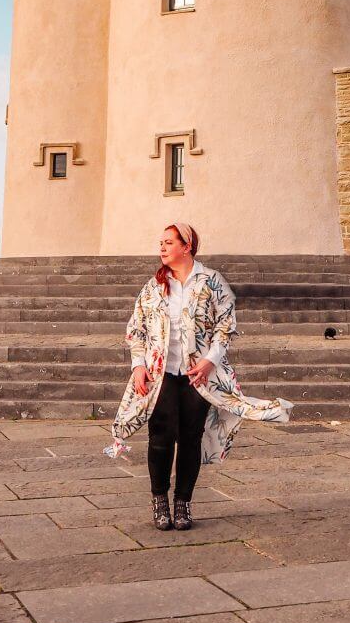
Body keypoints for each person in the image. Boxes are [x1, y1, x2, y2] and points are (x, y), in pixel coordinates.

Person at [104, 222, 293, 530]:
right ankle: (159, 501)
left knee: (191, 438)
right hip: (160, 374)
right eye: (161, 242)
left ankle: (183, 503)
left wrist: (209, 362)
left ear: (186, 246)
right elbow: (136, 329)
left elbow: (225, 326)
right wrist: (138, 365)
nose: (162, 247)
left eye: (168, 242)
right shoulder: (154, 286)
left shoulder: (211, 281)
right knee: (161, 438)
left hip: (198, 376)